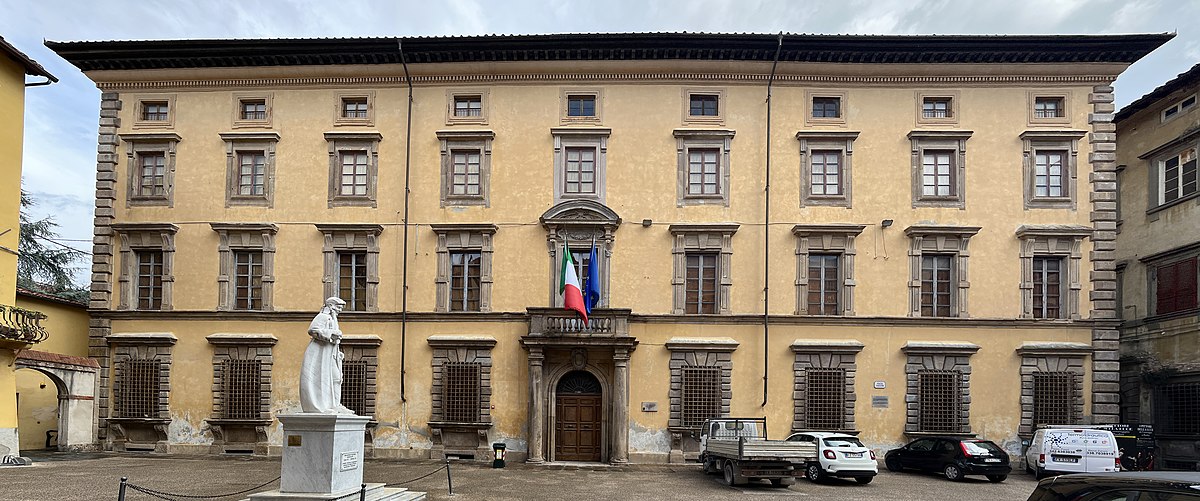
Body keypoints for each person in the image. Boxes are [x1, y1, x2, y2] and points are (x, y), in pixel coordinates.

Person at [299, 297, 355, 414]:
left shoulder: (333, 319)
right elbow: (312, 330)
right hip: (320, 352)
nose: (340, 310)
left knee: (337, 378)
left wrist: (338, 352)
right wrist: (332, 333)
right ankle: (323, 405)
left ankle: (335, 404)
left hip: (331, 354)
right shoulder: (323, 317)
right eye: (338, 307)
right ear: (331, 306)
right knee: (322, 378)